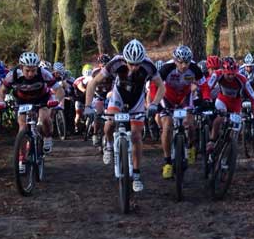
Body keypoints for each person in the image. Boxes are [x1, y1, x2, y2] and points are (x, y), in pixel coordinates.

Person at [84, 39, 165, 192]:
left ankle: (136, 174)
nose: (134, 67)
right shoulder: (115, 63)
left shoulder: (148, 65)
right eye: (131, 63)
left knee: (136, 136)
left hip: (137, 100)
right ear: (125, 59)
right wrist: (88, 106)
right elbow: (93, 83)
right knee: (109, 123)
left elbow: (161, 86)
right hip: (118, 96)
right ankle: (108, 144)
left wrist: (154, 103)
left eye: (137, 64)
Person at [0, 52, 61, 155]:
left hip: (41, 99)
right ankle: (22, 158)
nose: (30, 74)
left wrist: (57, 101)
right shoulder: (13, 74)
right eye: (27, 70)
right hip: (22, 100)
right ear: (21, 67)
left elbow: (58, 89)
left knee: (44, 118)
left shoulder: (43, 73)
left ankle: (47, 137)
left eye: (33, 70)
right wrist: (1, 101)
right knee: (22, 127)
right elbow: (2, 91)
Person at [158, 45, 205, 179]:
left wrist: (205, 98)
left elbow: (204, 85)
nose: (184, 65)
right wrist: (154, 103)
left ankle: (190, 146)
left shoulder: (194, 68)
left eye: (187, 62)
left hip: (185, 97)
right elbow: (155, 86)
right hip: (168, 97)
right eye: (180, 62)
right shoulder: (166, 68)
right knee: (167, 126)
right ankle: (167, 162)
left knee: (189, 123)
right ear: (175, 60)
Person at [203, 57, 254, 153]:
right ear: (223, 71)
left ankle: (230, 149)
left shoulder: (242, 79)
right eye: (228, 74)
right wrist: (206, 99)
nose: (231, 77)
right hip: (222, 100)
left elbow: (253, 97)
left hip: (236, 104)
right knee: (220, 117)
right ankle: (212, 141)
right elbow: (207, 87)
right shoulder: (217, 74)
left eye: (233, 74)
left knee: (235, 129)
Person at [72, 64, 94, 134]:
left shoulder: (93, 78)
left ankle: (88, 129)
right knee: (78, 115)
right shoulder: (79, 79)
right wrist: (87, 91)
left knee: (90, 113)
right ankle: (76, 127)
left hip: (89, 99)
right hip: (80, 99)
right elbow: (81, 88)